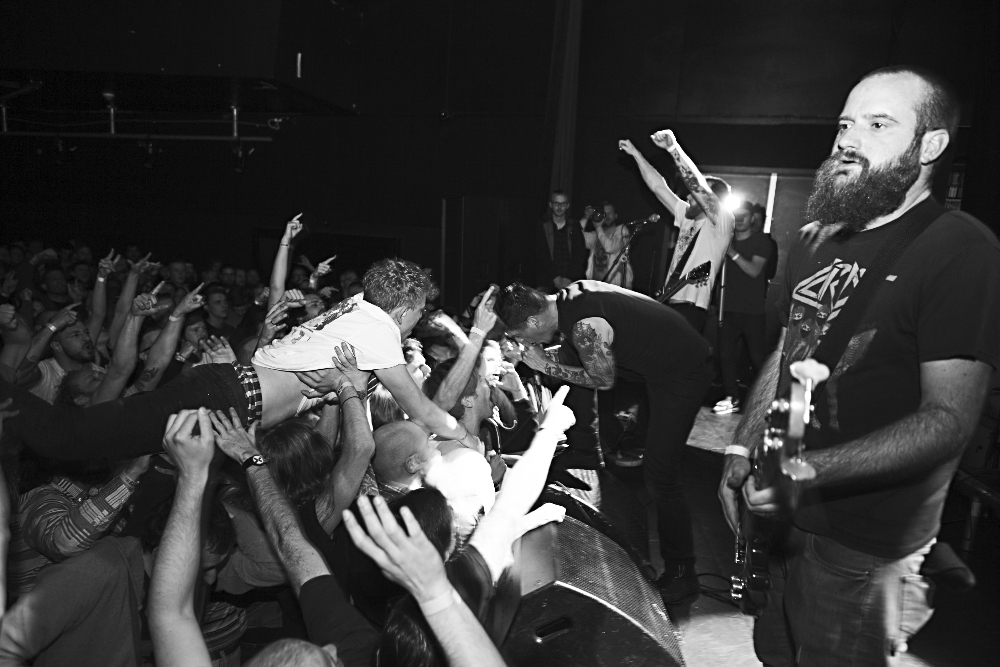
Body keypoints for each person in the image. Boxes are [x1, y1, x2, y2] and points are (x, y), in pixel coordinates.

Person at [718, 66, 1000, 666]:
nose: (848, 140)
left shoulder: (960, 249)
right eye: (845, 124)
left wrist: (805, 471)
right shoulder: (815, 237)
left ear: (930, 145)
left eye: (877, 125)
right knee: (775, 654)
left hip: (865, 538)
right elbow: (787, 351)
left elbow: (949, 421)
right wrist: (744, 447)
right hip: (784, 515)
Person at [0, 240, 482, 461]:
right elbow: (421, 409)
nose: (419, 319)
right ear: (405, 309)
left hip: (227, 393)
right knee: (72, 439)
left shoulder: (357, 307)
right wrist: (465, 437)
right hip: (225, 396)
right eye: (420, 310)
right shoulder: (379, 329)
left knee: (86, 440)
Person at [496, 280, 712, 603]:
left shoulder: (584, 324)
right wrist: (542, 358)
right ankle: (586, 452)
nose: (523, 342)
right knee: (658, 471)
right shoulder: (570, 299)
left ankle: (683, 573)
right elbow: (581, 354)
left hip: (684, 373)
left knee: (660, 476)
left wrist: (545, 364)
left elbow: (601, 378)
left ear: (533, 321)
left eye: (520, 335)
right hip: (665, 366)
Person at [619, 132, 735, 333]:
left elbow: (696, 184)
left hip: (691, 309)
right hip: (669, 301)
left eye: (694, 195)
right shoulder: (686, 216)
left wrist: (673, 149)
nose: (688, 196)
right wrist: (636, 154)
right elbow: (658, 187)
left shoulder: (721, 222)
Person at [714, 202, 773, 415]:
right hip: (727, 309)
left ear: (752, 219)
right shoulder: (726, 239)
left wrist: (731, 252)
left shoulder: (761, 241)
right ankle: (731, 398)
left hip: (752, 311)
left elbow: (754, 270)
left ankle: (766, 401)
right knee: (725, 356)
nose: (739, 219)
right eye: (736, 215)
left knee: (757, 358)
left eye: (744, 215)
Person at [535, 190, 588, 293]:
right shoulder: (542, 226)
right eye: (556, 203)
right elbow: (540, 254)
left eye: (563, 204)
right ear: (550, 204)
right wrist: (555, 277)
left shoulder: (574, 226)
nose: (559, 207)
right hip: (547, 282)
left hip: (570, 282)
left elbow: (580, 254)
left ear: (567, 205)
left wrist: (569, 278)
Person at [581, 201, 634, 289]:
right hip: (595, 287)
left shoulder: (622, 231)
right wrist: (585, 218)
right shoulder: (596, 234)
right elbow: (577, 239)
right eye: (604, 213)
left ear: (616, 215)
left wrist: (598, 227)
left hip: (615, 288)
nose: (607, 216)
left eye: (610, 213)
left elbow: (609, 248)